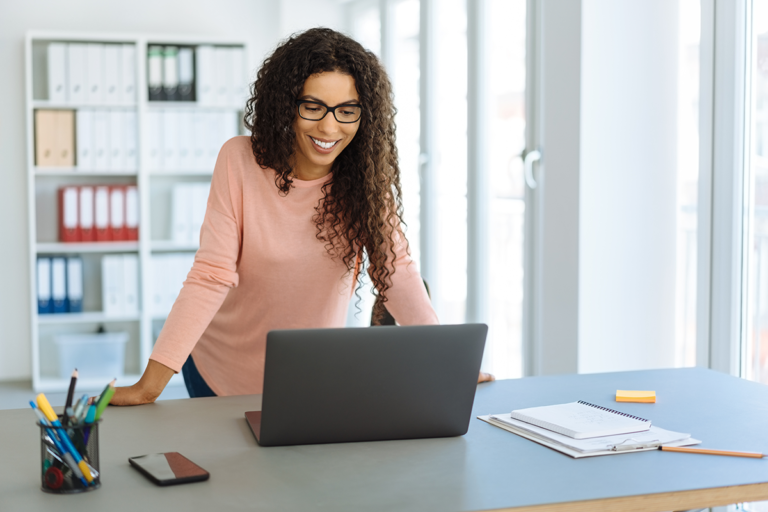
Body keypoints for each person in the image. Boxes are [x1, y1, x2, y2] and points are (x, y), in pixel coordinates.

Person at [111, 28, 494, 406]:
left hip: (309, 377)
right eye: (313, 107)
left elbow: (396, 271)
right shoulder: (239, 160)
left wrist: (450, 364)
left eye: (347, 111)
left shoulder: (365, 182)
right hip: (219, 371)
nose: (329, 127)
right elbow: (211, 275)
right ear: (286, 104)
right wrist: (149, 386)